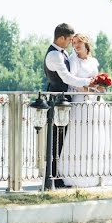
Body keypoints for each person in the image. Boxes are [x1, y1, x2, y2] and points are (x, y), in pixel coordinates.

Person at [43, 23, 93, 187]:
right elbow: (66, 78)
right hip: (57, 101)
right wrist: (89, 82)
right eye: (70, 39)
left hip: (63, 101)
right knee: (56, 139)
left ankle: (56, 177)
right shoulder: (54, 55)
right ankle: (52, 178)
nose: (71, 42)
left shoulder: (61, 53)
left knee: (60, 140)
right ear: (62, 38)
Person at [62, 34, 108, 187]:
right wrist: (87, 88)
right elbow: (72, 81)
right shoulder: (73, 60)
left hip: (94, 102)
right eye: (73, 43)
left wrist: (100, 86)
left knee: (94, 135)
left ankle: (95, 172)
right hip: (80, 101)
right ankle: (75, 175)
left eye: (78, 42)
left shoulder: (93, 61)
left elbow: (96, 79)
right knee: (79, 136)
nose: (75, 45)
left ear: (86, 43)